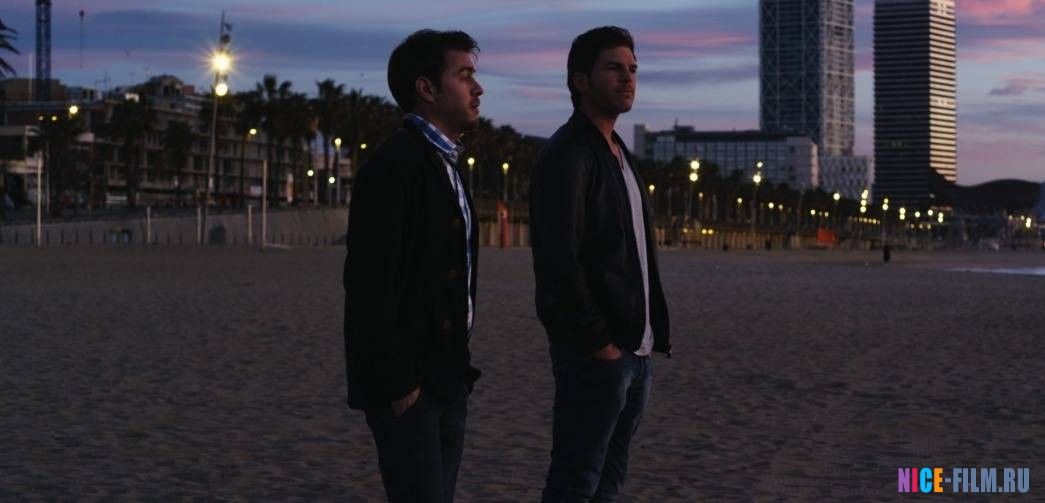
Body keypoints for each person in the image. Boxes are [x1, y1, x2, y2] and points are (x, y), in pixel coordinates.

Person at [529, 26, 671, 502]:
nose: (627, 78)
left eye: (632, 69)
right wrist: (599, 344)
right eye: (613, 68)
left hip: (635, 350)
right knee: (576, 480)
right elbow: (558, 262)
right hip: (597, 355)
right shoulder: (568, 153)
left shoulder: (618, 153)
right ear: (580, 81)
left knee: (608, 481)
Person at [343, 28, 483, 503]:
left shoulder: (447, 165)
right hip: (410, 386)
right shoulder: (394, 165)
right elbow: (368, 285)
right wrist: (398, 385)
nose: (478, 88)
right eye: (464, 76)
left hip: (448, 378)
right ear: (427, 88)